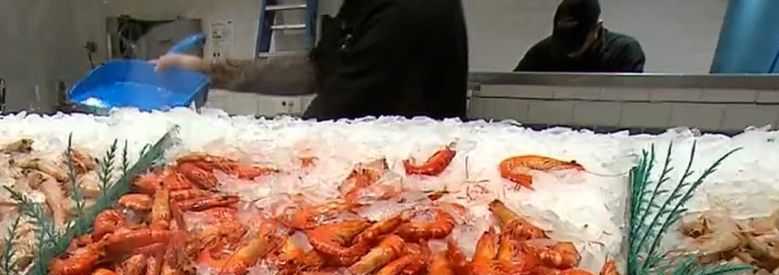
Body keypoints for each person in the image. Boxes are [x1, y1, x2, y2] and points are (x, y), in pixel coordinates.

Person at [155, 0, 469, 121]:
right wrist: (207, 71)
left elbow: (323, 122)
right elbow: (318, 68)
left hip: (409, 191)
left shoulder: (403, 14)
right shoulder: (362, 5)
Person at [515, 0, 645, 74]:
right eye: (562, 41)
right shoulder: (541, 53)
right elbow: (512, 91)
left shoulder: (623, 52)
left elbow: (630, 102)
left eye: (576, 42)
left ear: (597, 28)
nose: (569, 52)